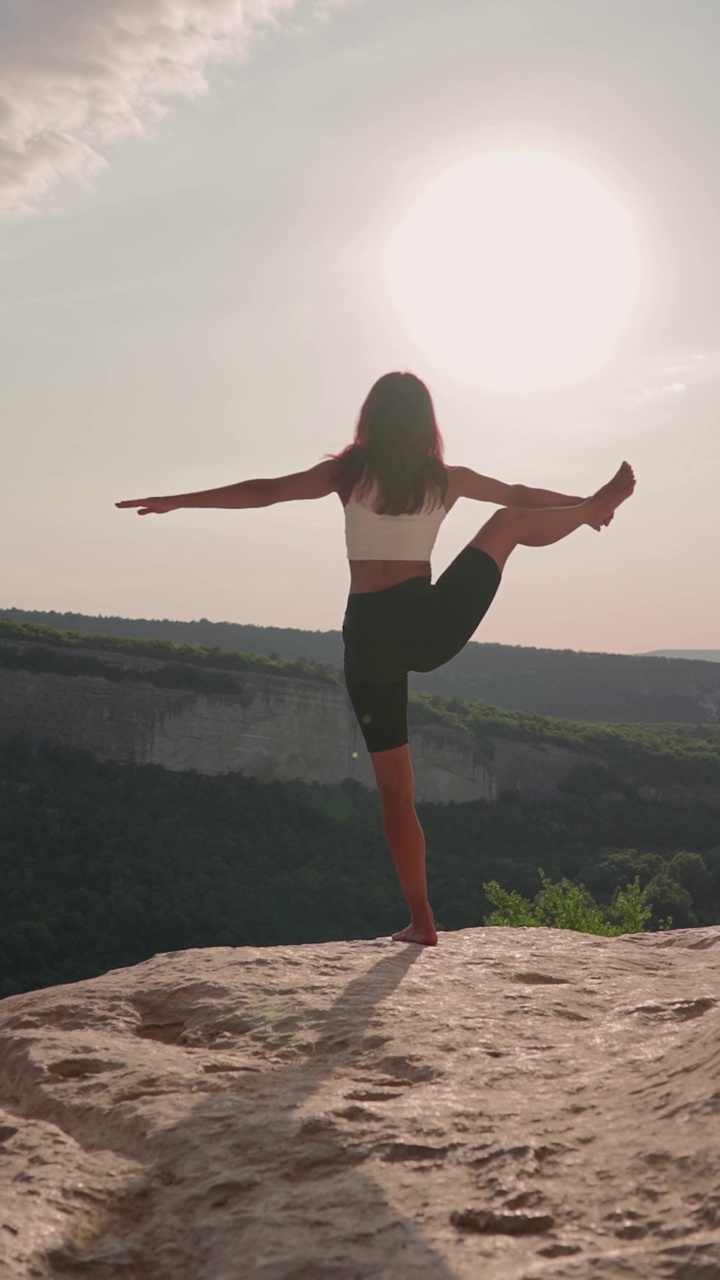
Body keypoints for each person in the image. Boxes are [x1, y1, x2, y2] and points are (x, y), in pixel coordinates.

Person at [117, 371, 635, 946]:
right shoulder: (445, 478)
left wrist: (178, 501)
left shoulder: (349, 472)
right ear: (425, 423)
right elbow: (519, 499)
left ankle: (422, 920)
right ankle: (591, 513)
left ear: (372, 418)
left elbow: (265, 489)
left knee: (395, 792)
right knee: (508, 522)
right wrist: (585, 503)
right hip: (430, 623)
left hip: (370, 637)